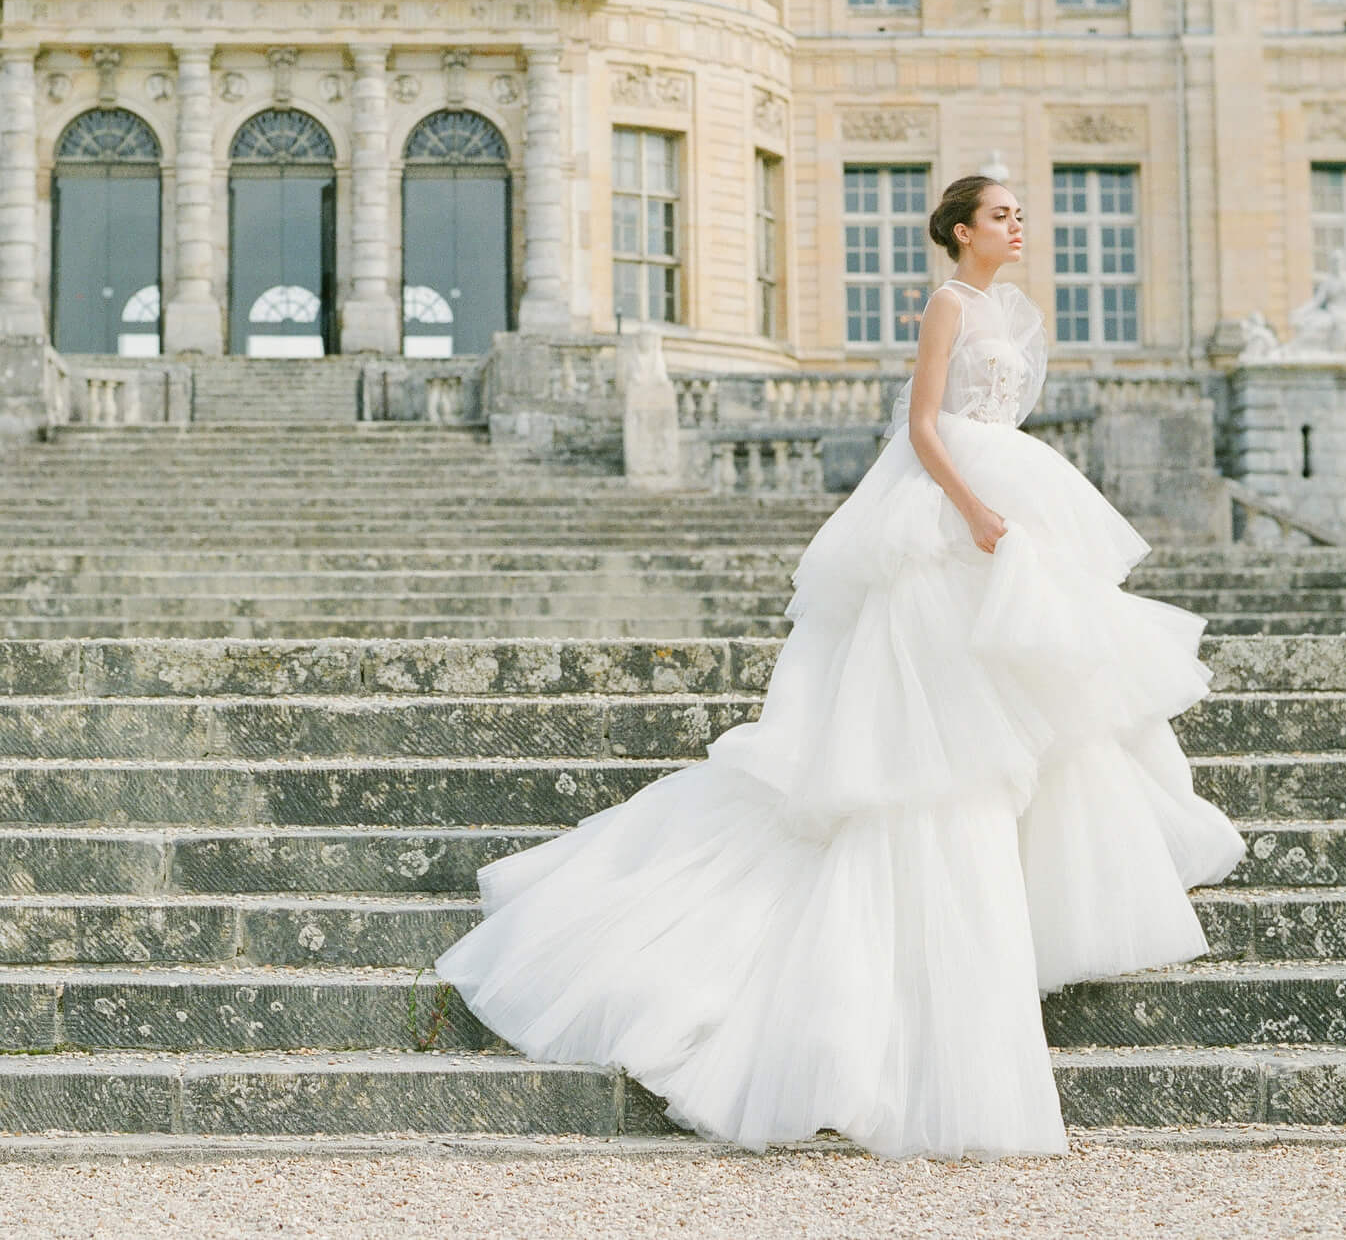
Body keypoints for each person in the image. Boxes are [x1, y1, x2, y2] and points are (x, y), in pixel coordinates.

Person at [435, 175, 1245, 1158]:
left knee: (1047, 705)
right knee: (946, 732)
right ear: (958, 231)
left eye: (1019, 214)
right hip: (952, 510)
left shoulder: (1011, 312)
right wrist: (978, 512)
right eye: (999, 214)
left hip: (1010, 494)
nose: (1017, 225)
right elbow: (923, 424)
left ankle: (1024, 909)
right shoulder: (948, 304)